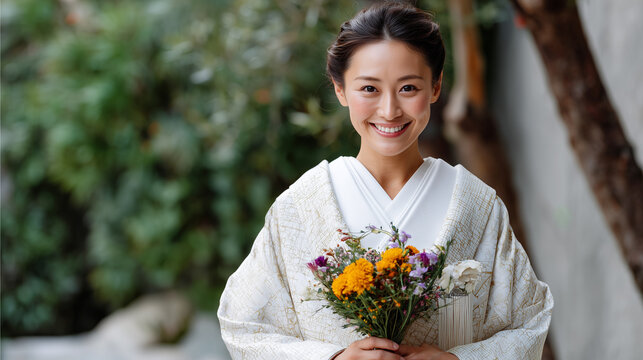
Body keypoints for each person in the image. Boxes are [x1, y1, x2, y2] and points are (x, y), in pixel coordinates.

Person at [217, 2, 553, 360]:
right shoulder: (301, 207)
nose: (390, 110)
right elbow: (243, 324)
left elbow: (528, 322)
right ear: (340, 90)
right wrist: (333, 358)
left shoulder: (475, 204)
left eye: (408, 88)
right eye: (369, 89)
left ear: (436, 87)